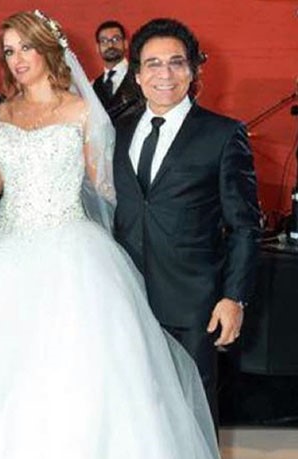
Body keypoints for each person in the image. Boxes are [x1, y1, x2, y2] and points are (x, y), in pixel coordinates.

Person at [0, 11, 219, 458]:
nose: (17, 59)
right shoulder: (1, 112)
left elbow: (108, 189)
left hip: (70, 251)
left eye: (27, 47)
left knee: (72, 372)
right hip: (2, 248)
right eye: (9, 51)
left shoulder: (81, 110)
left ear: (48, 49)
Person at [113, 18, 261, 427]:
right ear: (137, 75)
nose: (165, 74)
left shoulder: (223, 134)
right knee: (135, 416)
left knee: (193, 419)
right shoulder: (117, 131)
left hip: (194, 305)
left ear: (193, 70)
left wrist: (234, 298)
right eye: (153, 64)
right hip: (124, 299)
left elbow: (245, 226)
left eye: (176, 63)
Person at [92, 20, 144, 124]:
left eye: (116, 39)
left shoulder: (141, 76)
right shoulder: (93, 86)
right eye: (104, 41)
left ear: (125, 44)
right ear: (97, 48)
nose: (110, 45)